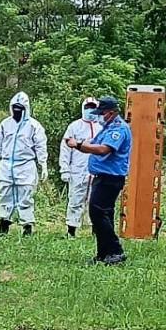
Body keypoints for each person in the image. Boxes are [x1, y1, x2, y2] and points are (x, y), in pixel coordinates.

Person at [65, 96, 132, 265]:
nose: (98, 116)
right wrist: (84, 143)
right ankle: (103, 254)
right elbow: (94, 143)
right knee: (103, 214)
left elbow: (103, 149)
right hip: (102, 177)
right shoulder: (107, 127)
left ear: (110, 113)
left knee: (98, 213)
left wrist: (78, 145)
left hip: (110, 178)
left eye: (101, 113)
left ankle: (116, 251)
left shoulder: (119, 129)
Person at [0, 91, 48, 235]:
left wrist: (43, 164)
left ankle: (27, 226)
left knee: (26, 195)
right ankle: (4, 224)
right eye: (14, 107)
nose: (16, 111)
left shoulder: (34, 126)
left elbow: (41, 146)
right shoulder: (5, 124)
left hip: (26, 165)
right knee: (4, 193)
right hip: (6, 164)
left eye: (20, 108)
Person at [59, 97, 99, 237]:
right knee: (75, 200)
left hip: (97, 171)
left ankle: (95, 230)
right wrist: (64, 169)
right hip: (77, 170)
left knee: (96, 201)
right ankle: (71, 230)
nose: (90, 110)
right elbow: (65, 149)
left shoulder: (102, 126)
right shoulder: (74, 127)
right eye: (88, 107)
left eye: (93, 107)